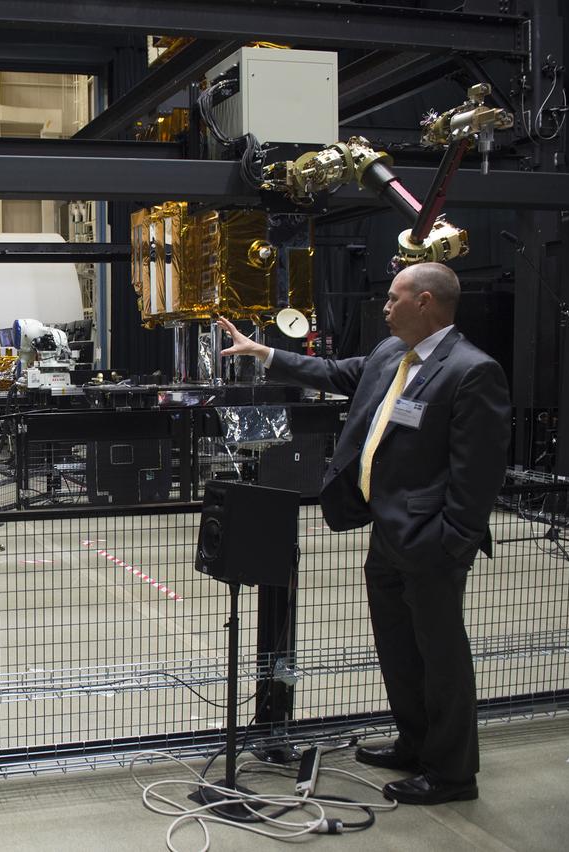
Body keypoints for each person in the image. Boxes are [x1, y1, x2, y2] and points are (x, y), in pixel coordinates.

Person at [218, 261, 510, 806]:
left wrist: (452, 541)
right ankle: (415, 740)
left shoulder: (471, 371)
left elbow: (479, 475)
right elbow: (336, 373)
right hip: (387, 532)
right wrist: (265, 355)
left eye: (395, 297)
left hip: (430, 539)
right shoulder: (389, 355)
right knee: (398, 648)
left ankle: (451, 773)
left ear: (426, 302)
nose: (385, 305)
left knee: (441, 656)